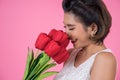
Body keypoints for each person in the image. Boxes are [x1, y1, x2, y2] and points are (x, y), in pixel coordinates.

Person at [54, 0, 117, 80]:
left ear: (93, 28)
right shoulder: (71, 54)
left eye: (71, 28)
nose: (66, 34)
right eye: (65, 27)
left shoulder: (105, 60)